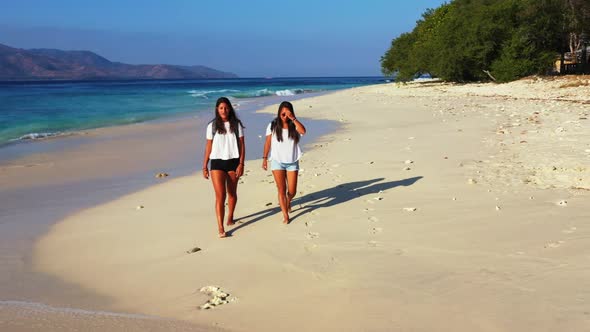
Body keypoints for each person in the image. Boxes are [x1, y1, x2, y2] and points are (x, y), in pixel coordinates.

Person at [203, 97, 245, 238]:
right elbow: (208, 146)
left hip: (233, 162)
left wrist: (241, 163)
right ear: (217, 109)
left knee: (232, 194)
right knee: (220, 196)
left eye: (226, 108)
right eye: (221, 108)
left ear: (230, 109)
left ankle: (230, 216)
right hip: (216, 163)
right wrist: (204, 165)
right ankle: (220, 227)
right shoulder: (212, 126)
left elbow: (242, 145)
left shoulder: (236, 125)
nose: (224, 110)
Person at [262, 101, 306, 224]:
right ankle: (285, 215)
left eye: (287, 112)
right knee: (281, 189)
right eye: (283, 112)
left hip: (292, 161)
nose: (285, 115)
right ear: (279, 112)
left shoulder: (294, 125)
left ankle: (288, 200)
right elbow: (267, 143)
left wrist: (293, 118)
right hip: (277, 161)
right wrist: (264, 158)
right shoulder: (272, 125)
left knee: (292, 191)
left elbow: (303, 131)